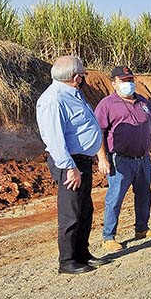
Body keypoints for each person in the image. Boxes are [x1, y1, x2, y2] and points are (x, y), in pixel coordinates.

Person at [36, 56, 109, 274]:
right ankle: (67, 261)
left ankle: (82, 254)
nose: (83, 78)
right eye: (83, 75)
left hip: (81, 161)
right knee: (71, 213)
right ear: (76, 77)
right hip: (70, 162)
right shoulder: (54, 99)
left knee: (84, 209)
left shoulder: (73, 94)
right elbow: (55, 139)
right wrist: (69, 167)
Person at [95, 66, 151, 251]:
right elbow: (98, 133)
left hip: (143, 159)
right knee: (115, 198)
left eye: (130, 80)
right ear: (114, 83)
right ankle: (108, 237)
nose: (128, 84)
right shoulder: (107, 104)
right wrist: (102, 158)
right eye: (124, 81)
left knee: (144, 194)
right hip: (120, 160)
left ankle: (141, 229)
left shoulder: (143, 101)